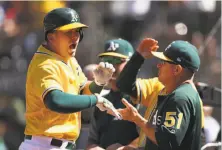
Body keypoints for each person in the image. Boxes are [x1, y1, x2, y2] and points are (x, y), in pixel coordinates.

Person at [19, 8, 121, 150]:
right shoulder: (44, 65)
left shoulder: (69, 60)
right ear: (51, 36)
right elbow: (56, 101)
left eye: (77, 31)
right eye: (68, 32)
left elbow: (83, 93)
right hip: (43, 145)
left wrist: (98, 83)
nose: (75, 37)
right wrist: (96, 100)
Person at [116, 38, 204, 150]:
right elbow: (124, 85)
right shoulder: (178, 92)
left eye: (164, 62)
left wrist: (137, 119)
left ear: (177, 69)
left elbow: (167, 142)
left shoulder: (180, 98)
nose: (158, 65)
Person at [86, 38, 140, 150]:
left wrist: (126, 148)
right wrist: (93, 147)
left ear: (131, 64)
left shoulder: (142, 96)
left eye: (117, 61)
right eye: (107, 60)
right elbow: (92, 139)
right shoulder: (101, 100)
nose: (111, 66)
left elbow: (151, 135)